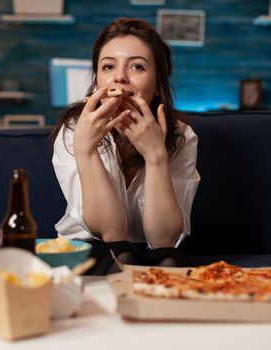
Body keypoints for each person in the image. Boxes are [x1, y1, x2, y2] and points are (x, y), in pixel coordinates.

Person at [51, 18, 200, 274]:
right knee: (122, 258)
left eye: (137, 67)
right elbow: (111, 232)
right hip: (91, 247)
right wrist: (86, 151)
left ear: (157, 85)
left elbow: (163, 240)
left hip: (155, 251)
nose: (119, 77)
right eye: (108, 66)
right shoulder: (75, 129)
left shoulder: (181, 135)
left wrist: (156, 156)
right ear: (97, 79)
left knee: (171, 261)